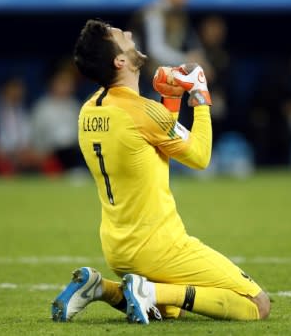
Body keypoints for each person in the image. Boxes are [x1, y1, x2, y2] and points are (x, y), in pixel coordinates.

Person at [51, 19, 270, 324]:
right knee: (255, 304)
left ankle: (102, 288)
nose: (129, 34)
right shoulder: (144, 112)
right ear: (120, 61)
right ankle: (149, 292)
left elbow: (151, 145)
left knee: (173, 309)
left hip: (118, 248)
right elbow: (200, 156)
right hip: (159, 245)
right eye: (121, 36)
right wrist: (200, 95)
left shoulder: (88, 111)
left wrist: (171, 99)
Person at [30, 64, 83, 172]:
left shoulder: (75, 106)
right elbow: (36, 138)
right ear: (52, 83)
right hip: (50, 154)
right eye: (62, 82)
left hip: (74, 154)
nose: (67, 86)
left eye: (69, 82)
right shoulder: (42, 108)